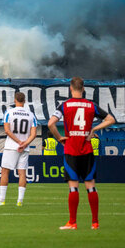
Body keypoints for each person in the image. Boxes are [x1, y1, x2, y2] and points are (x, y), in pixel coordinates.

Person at [47, 77, 116, 230]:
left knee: (73, 186)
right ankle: (95, 223)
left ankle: (72, 222)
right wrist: (94, 129)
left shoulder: (64, 105)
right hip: (87, 149)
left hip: (71, 149)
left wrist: (59, 138)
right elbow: (111, 119)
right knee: (90, 185)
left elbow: (50, 123)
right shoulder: (91, 105)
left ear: (71, 89)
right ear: (83, 89)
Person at [0, 91, 38, 207]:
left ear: (15, 100)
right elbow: (34, 134)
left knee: (5, 172)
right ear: (25, 101)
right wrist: (25, 143)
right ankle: (20, 201)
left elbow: (7, 130)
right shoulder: (31, 115)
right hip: (25, 148)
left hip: (11, 147)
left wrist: (18, 142)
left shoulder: (9, 112)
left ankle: (2, 200)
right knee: (22, 173)